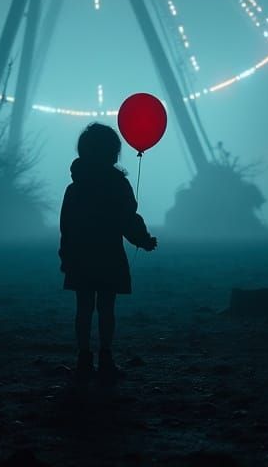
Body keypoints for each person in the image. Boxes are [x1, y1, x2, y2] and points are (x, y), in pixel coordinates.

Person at [58, 122, 158, 377]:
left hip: (80, 256)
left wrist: (65, 255)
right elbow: (128, 219)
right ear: (113, 152)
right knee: (106, 308)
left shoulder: (75, 188)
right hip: (109, 255)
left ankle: (83, 356)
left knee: (83, 308)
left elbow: (66, 226)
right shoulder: (117, 186)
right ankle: (105, 355)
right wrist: (143, 240)